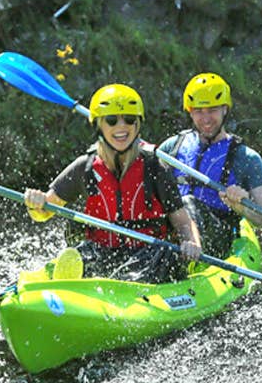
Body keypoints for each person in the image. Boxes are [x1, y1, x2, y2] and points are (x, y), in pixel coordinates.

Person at [24, 83, 202, 283]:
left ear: (137, 125)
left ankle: (124, 286)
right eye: (111, 120)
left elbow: (182, 220)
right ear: (99, 125)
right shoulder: (85, 167)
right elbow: (43, 212)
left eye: (129, 119)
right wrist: (36, 203)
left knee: (161, 254)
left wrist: (191, 242)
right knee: (83, 253)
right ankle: (71, 285)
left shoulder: (155, 166)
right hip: (103, 251)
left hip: (148, 253)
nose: (121, 127)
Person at [158, 73, 262, 258]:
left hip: (217, 237)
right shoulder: (172, 147)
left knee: (188, 202)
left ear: (225, 109)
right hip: (174, 229)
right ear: (190, 111)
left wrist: (242, 207)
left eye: (212, 110)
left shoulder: (247, 158)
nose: (205, 118)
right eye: (198, 111)